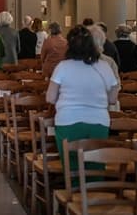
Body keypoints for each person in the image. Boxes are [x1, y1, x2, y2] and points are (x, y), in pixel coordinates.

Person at [45, 25, 119, 170]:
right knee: (95, 166)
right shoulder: (104, 66)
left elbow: (50, 98)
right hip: (98, 122)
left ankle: (75, 190)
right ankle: (95, 190)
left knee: (72, 167)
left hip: (68, 121)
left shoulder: (63, 67)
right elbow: (112, 99)